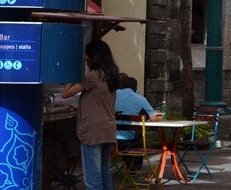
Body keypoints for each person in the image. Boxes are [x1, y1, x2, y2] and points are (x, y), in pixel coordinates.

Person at [62, 40, 120, 190]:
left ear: (95, 57)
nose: (86, 61)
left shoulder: (93, 75)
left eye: (87, 57)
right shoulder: (111, 74)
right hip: (107, 128)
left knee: (92, 179)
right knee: (104, 173)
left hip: (92, 131)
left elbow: (66, 93)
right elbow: (98, 99)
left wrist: (72, 72)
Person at [114, 76, 162, 170]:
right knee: (139, 136)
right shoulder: (140, 99)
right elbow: (154, 118)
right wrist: (161, 115)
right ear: (135, 88)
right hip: (129, 138)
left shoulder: (113, 95)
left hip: (111, 137)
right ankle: (134, 168)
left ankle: (130, 166)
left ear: (122, 85)